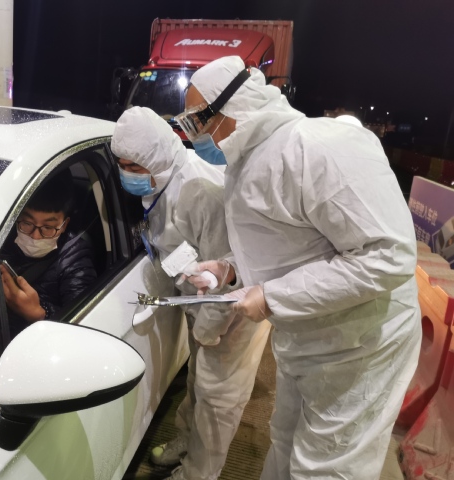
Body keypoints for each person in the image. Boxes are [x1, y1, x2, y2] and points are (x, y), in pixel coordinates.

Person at [177, 55, 421, 480]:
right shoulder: (247, 161)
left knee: (327, 467)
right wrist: (228, 269)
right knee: (286, 441)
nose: (193, 135)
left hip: (361, 344)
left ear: (233, 107)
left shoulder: (317, 146)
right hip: (309, 337)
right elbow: (288, 247)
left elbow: (387, 255)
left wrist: (273, 296)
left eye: (197, 120)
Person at [111, 106, 271, 480]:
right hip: (199, 299)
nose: (126, 174)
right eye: (121, 165)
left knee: (219, 397)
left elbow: (228, 275)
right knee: (198, 380)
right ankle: (186, 440)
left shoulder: (203, 193)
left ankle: (199, 473)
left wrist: (209, 330)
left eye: (134, 166)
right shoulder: (161, 180)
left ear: (158, 157)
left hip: (232, 310)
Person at [0, 171, 97, 336]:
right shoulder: (1, 238)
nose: (35, 236)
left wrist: (40, 313)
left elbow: (82, 326)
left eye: (48, 227)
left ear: (64, 225)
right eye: (27, 223)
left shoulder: (75, 258)